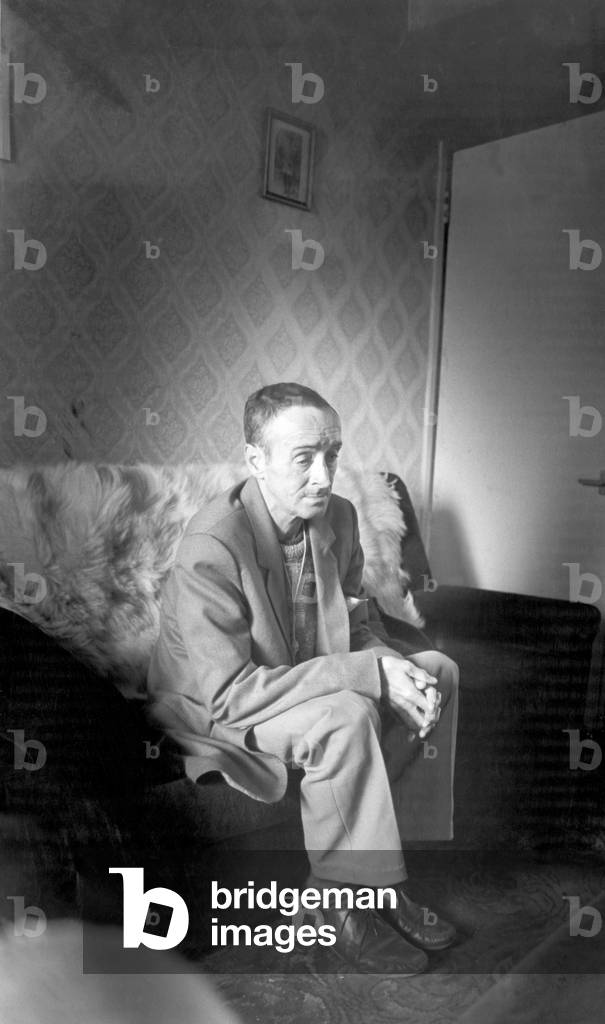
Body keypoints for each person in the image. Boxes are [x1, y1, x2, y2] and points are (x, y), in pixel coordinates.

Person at [147, 382, 459, 974]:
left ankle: (388, 883)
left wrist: (388, 665)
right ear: (256, 461)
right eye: (304, 458)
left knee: (437, 671)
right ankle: (342, 905)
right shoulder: (210, 546)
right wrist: (367, 675)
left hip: (297, 679)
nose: (325, 475)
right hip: (219, 711)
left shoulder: (336, 518)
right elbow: (229, 696)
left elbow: (359, 622)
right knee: (347, 714)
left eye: (333, 455)